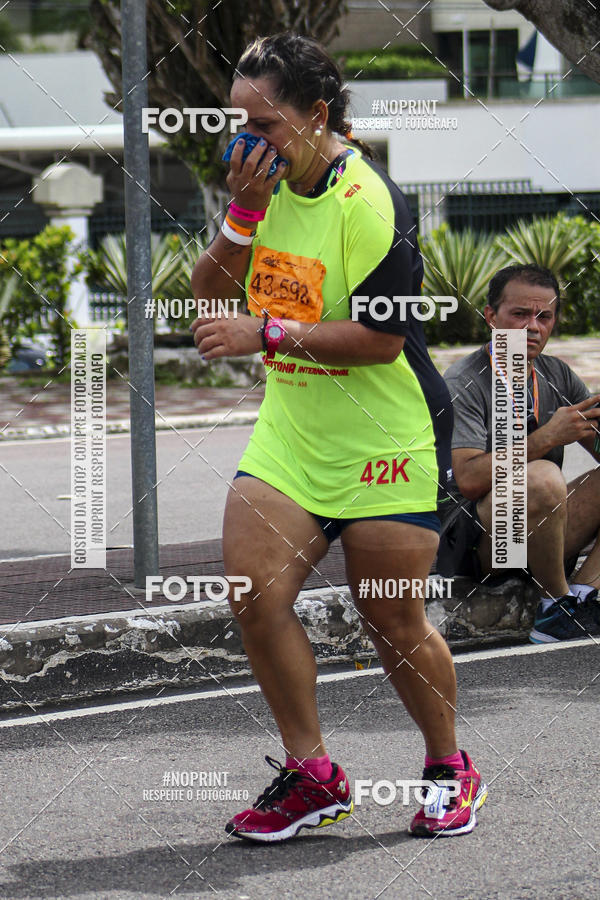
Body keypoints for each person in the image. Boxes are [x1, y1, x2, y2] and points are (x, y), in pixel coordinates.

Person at [190, 32, 487, 841]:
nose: (245, 143)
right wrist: (242, 216)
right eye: (235, 123)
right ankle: (312, 774)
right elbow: (208, 295)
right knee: (255, 597)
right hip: (292, 434)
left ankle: (448, 767)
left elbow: (383, 340)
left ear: (318, 116)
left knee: (390, 617)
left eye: (264, 124)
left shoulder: (370, 203)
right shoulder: (261, 185)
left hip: (384, 433)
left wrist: (272, 335)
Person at [440, 263, 600, 643]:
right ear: (491, 317)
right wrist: (547, 437)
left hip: (540, 534)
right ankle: (554, 607)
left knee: (545, 479)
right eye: (520, 314)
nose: (533, 327)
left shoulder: (556, 375)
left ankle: (585, 596)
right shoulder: (462, 382)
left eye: (544, 316)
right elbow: (469, 478)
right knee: (543, 476)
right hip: (478, 546)